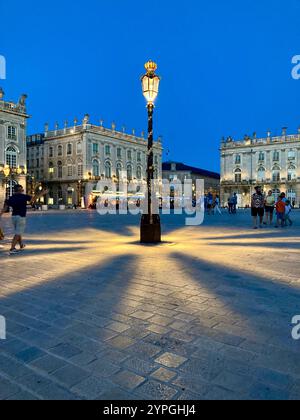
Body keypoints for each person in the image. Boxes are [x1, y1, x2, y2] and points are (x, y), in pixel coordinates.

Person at [0, 184, 48, 255]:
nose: (23, 191)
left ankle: (21, 244)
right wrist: (42, 193)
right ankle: (12, 248)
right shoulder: (24, 197)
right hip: (21, 217)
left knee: (18, 231)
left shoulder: (11, 198)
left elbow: (5, 208)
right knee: (18, 233)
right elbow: (33, 199)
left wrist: (0, 214)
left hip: (14, 217)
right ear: (20, 190)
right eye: (22, 190)